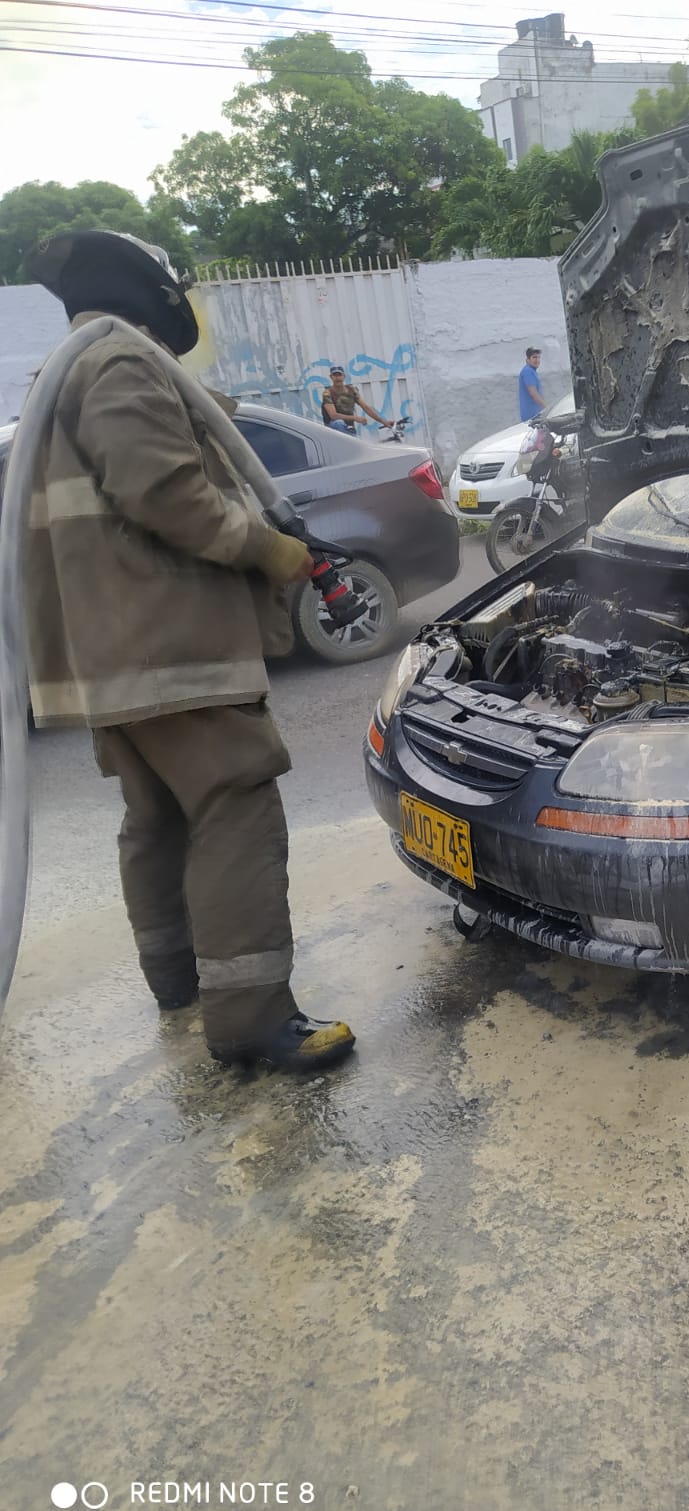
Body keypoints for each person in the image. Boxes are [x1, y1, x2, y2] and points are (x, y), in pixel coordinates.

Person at [22, 229, 356, 1072]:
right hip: (175, 651)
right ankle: (250, 1020)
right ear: (152, 292)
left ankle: (176, 981)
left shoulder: (64, 375)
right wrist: (268, 549)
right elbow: (165, 492)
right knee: (236, 805)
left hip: (115, 656)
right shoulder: (120, 365)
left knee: (158, 816)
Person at [321, 366, 392, 433]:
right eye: (335, 375)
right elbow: (334, 416)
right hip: (333, 428)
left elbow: (366, 407)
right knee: (339, 423)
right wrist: (356, 418)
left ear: (344, 376)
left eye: (339, 375)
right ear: (331, 377)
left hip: (349, 427)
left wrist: (384, 422)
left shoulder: (352, 390)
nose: (337, 378)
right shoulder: (327, 393)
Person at [518, 346, 545, 421]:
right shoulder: (528, 372)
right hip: (532, 416)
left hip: (535, 415)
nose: (537, 360)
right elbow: (533, 393)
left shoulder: (531, 371)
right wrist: (546, 408)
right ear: (527, 360)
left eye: (538, 357)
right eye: (534, 357)